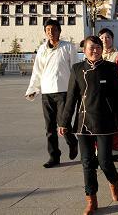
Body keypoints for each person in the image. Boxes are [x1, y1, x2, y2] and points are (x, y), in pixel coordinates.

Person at [59, 35, 118, 215]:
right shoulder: (77, 69)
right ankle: (91, 200)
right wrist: (64, 122)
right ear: (84, 49)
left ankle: (113, 181)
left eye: (98, 47)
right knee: (87, 162)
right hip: (83, 123)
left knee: (105, 161)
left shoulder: (111, 69)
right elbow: (71, 98)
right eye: (91, 47)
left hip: (105, 122)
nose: (95, 50)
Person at [25, 18, 78, 168]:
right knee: (49, 127)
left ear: (59, 31)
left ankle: (72, 142)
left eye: (54, 29)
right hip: (47, 92)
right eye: (48, 30)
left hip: (64, 91)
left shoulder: (68, 47)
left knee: (64, 124)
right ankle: (54, 156)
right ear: (45, 32)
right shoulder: (42, 49)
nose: (51, 32)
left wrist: (77, 89)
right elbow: (37, 71)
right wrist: (33, 89)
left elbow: (74, 69)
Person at [98, 28, 118, 161]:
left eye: (107, 37)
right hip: (99, 96)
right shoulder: (96, 55)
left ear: (112, 39)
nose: (105, 40)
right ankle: (101, 150)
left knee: (116, 123)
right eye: (102, 38)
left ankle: (115, 151)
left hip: (114, 95)